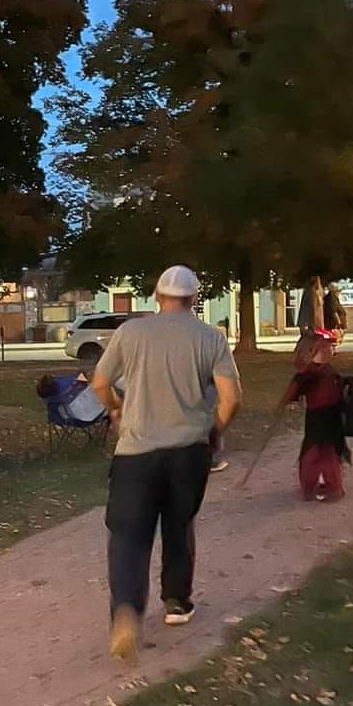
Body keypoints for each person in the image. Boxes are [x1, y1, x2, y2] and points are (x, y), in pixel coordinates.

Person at [91, 266, 243, 660]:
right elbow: (231, 398)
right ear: (194, 300)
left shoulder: (131, 333)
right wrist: (214, 430)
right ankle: (176, 602)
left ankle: (126, 608)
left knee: (128, 535)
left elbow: (100, 383)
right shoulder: (211, 337)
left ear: (156, 297)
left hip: (136, 455)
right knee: (179, 523)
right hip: (188, 452)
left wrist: (116, 409)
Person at [281, 334, 348, 501]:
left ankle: (332, 488)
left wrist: (289, 397)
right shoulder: (316, 373)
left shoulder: (322, 373)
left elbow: (299, 386)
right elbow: (298, 388)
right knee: (316, 453)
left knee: (322, 454)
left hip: (325, 418)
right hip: (318, 417)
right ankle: (312, 487)